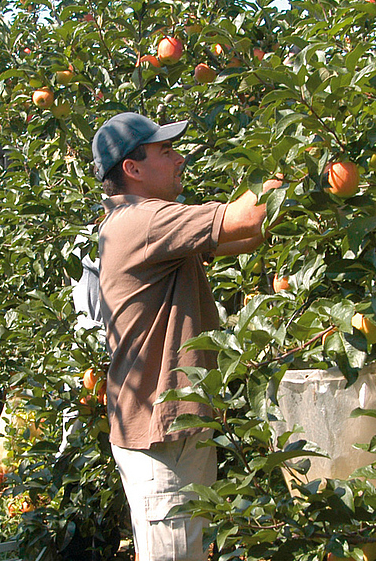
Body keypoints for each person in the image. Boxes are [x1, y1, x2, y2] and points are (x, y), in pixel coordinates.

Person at [91, 112, 281, 561]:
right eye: (166, 151)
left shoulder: (147, 228)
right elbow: (248, 218)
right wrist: (308, 161)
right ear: (132, 169)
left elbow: (246, 238)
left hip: (170, 429)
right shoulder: (143, 221)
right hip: (162, 436)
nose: (180, 159)